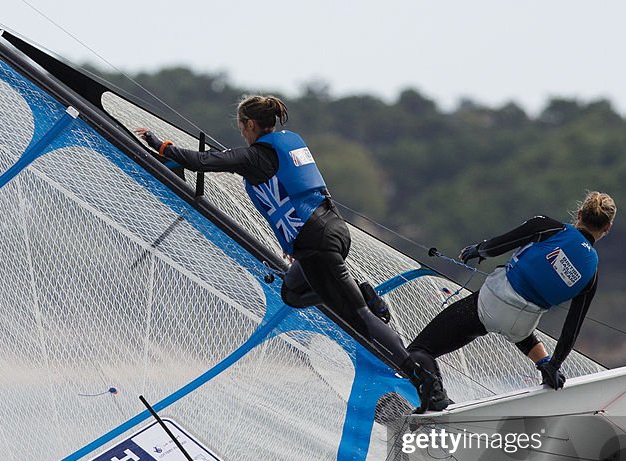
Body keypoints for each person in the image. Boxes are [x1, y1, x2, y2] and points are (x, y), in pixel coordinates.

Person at [135, 95, 439, 406]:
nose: (241, 132)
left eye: (241, 126)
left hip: (316, 242)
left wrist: (161, 145)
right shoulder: (285, 148)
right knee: (293, 292)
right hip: (332, 230)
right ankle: (358, 291)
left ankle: (421, 378)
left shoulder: (255, 157)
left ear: (250, 125)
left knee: (358, 314)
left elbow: (203, 161)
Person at [408, 191, 617, 410]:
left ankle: (436, 397)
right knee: (523, 331)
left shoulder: (548, 227)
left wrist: (477, 250)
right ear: (607, 228)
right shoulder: (591, 274)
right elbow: (571, 329)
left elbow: (497, 246)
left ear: (580, 213)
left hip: (489, 304)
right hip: (521, 326)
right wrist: (554, 366)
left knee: (420, 351)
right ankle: (542, 362)